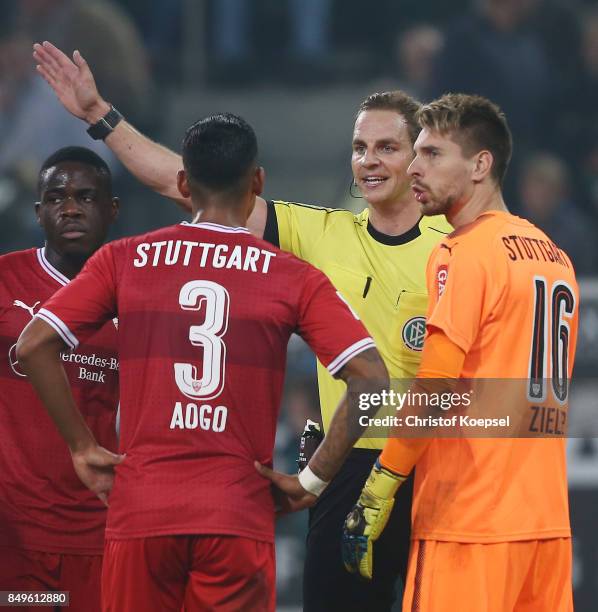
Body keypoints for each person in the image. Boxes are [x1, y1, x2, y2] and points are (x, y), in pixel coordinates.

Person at [32, 41, 452, 610]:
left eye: (386, 147)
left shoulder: (455, 251)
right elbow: (192, 182)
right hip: (348, 467)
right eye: (359, 147)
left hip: (439, 464)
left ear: (419, 159)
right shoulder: (319, 236)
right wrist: (100, 116)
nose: (369, 160)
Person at [341, 94, 578, 611]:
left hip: (468, 520)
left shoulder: (461, 252)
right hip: (545, 527)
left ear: (480, 165)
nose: (414, 167)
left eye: (432, 155)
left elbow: (436, 386)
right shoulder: (555, 256)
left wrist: (380, 486)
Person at [0, 146, 120, 610]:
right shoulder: (5, 280)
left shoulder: (133, 294)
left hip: (98, 530)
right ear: (38, 212)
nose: (70, 207)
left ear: (112, 210)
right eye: (56, 198)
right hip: (14, 536)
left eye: (86, 197)